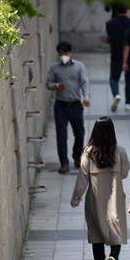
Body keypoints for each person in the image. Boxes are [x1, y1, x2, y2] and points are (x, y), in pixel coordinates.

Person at [70, 117, 130, 260]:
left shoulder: (88, 152)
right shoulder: (120, 151)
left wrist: (76, 197)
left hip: (95, 198)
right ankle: (114, 256)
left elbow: (82, 177)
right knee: (116, 228)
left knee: (96, 230)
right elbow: (124, 173)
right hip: (115, 197)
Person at [45, 41, 90, 174]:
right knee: (61, 135)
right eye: (61, 53)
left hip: (75, 105)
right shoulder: (54, 68)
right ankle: (64, 163)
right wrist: (55, 86)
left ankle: (77, 157)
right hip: (61, 106)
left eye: (65, 53)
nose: (63, 56)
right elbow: (48, 83)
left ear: (71, 53)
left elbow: (84, 82)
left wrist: (86, 97)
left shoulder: (79, 67)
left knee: (79, 133)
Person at [104, 4, 130, 112]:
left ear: (116, 11)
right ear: (127, 10)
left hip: (115, 54)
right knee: (129, 80)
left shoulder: (109, 23)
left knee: (113, 78)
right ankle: (128, 103)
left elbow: (110, 38)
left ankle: (116, 94)